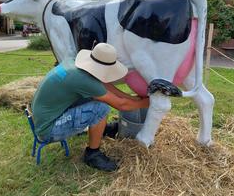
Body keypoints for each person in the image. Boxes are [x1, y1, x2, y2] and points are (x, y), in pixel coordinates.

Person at [31, 43, 149, 171]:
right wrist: (146, 103)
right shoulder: (84, 80)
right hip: (49, 129)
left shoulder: (75, 64)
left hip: (45, 116)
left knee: (93, 99)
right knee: (101, 108)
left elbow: (104, 86)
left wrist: (133, 98)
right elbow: (121, 105)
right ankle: (92, 154)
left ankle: (100, 129)